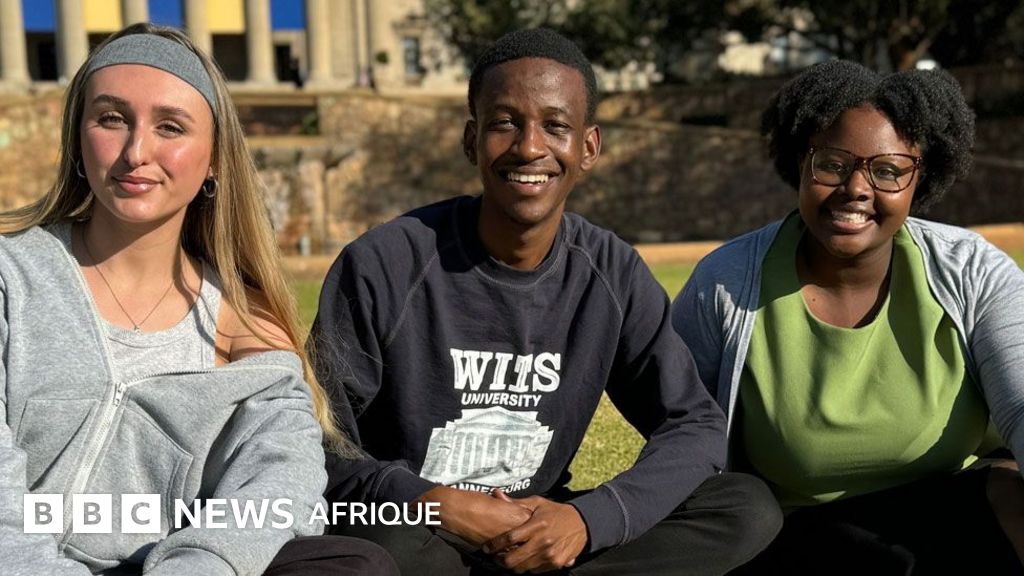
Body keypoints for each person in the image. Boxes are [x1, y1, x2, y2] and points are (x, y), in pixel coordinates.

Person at [312, 28, 780, 575]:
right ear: (471, 139)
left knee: (744, 508)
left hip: (545, 538)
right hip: (424, 537)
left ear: (588, 148)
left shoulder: (610, 272)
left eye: (555, 126)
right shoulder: (384, 263)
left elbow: (694, 425)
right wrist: (433, 502)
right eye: (504, 123)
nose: (530, 147)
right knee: (383, 544)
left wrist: (588, 520)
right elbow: (317, 442)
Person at [0, 24, 396, 575]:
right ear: (77, 138)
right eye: (111, 118)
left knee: (354, 563)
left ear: (214, 159)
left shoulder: (245, 325)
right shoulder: (12, 277)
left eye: (170, 127)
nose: (136, 152)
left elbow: (279, 488)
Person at [671, 60, 1024, 574]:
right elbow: (677, 430)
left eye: (888, 170)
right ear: (801, 162)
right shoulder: (724, 283)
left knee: (1010, 490)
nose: (857, 188)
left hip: (939, 518)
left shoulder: (970, 270)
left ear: (919, 178)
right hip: (791, 540)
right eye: (833, 163)